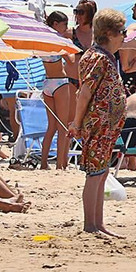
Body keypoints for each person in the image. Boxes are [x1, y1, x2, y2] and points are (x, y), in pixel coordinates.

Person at [71, 8, 127, 237]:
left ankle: (98, 223)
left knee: (102, 173)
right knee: (95, 173)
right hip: (98, 124)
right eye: (121, 31)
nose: (124, 36)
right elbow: (84, 93)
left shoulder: (106, 58)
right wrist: (76, 123)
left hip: (106, 126)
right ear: (109, 33)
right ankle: (90, 224)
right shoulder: (97, 57)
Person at [40, 11, 78, 170]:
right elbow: (71, 61)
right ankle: (60, 165)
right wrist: (69, 44)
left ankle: (43, 163)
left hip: (47, 83)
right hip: (60, 83)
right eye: (64, 24)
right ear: (56, 24)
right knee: (62, 127)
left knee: (51, 128)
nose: (66, 28)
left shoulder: (43, 41)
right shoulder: (59, 41)